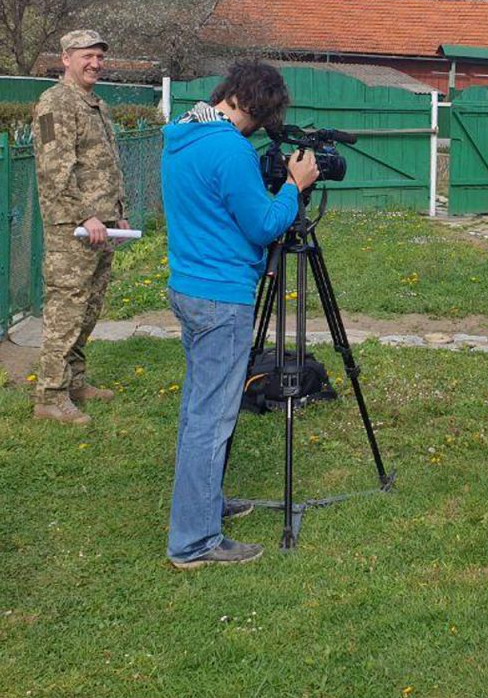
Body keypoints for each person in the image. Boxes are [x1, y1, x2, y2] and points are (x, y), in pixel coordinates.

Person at [161, 61, 318, 569]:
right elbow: (263, 225)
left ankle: (202, 506)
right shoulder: (228, 148)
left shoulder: (182, 135)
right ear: (255, 104)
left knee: (197, 410)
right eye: (266, 116)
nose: (263, 128)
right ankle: (194, 541)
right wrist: (294, 185)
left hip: (188, 284)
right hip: (221, 296)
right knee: (212, 416)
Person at [31, 29, 130, 425]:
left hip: (101, 226)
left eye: (100, 57)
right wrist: (84, 215)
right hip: (72, 228)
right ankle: (50, 396)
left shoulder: (95, 104)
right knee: (66, 308)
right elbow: (55, 168)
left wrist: (115, 213)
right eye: (87, 56)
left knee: (88, 308)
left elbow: (102, 164)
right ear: (66, 58)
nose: (95, 63)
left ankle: (74, 382)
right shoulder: (55, 103)